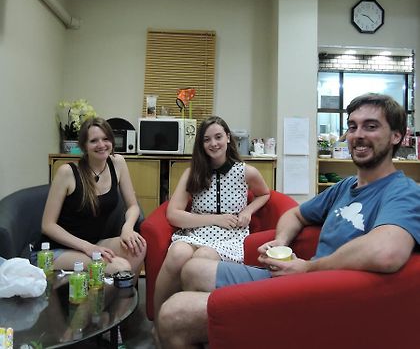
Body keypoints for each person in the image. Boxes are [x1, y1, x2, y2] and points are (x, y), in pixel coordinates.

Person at [157, 93, 420, 348]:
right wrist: (280, 242)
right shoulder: (345, 186)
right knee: (193, 269)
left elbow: (387, 251)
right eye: (352, 127)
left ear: (397, 135)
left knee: (172, 314)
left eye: (371, 126)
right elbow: (295, 214)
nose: (358, 134)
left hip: (325, 297)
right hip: (302, 279)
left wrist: (308, 268)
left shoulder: (404, 191)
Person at [153, 116, 270, 320]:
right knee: (177, 253)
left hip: (230, 236)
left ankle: (189, 321)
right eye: (207, 139)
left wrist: (248, 211)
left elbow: (264, 194)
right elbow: (173, 214)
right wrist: (215, 219)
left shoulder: (246, 171)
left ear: (228, 137)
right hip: (196, 231)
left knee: (203, 257)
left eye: (218, 137)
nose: (213, 143)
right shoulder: (193, 173)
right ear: (201, 144)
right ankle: (158, 320)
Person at [37, 117, 146, 279]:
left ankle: (122, 294)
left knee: (138, 247)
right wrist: (87, 247)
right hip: (58, 250)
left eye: (106, 139)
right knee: (120, 267)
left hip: (94, 243)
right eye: (94, 141)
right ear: (84, 146)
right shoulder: (67, 172)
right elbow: (48, 226)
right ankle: (109, 293)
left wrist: (127, 228)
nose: (101, 145)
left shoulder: (118, 163)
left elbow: (133, 206)